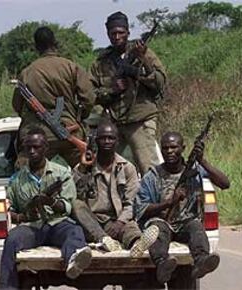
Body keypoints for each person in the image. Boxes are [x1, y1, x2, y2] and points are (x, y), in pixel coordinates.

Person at [0, 128, 92, 290]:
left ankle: (73, 261)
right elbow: (9, 211)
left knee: (74, 232)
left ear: (46, 149)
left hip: (57, 223)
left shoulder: (61, 174)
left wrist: (50, 202)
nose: (32, 151)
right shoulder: (16, 180)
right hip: (32, 227)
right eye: (29, 148)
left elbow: (68, 206)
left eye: (37, 147)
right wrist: (23, 217)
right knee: (12, 240)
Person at [135, 132, 230, 285]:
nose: (170, 152)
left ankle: (201, 261)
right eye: (165, 148)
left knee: (196, 226)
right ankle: (162, 264)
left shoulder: (195, 171)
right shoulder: (152, 176)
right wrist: (168, 203)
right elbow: (141, 209)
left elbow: (225, 183)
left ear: (183, 148)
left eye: (174, 147)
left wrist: (202, 161)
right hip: (162, 223)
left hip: (186, 223)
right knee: (156, 230)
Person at [90, 11, 166, 175]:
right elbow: (90, 94)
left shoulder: (143, 52)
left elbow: (160, 82)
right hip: (114, 123)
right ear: (108, 34)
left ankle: (156, 200)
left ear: (128, 33)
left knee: (148, 168)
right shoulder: (101, 62)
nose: (117, 37)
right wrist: (112, 91)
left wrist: (140, 65)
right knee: (106, 169)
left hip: (140, 119)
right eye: (113, 33)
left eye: (121, 33)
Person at [12, 26, 96, 168]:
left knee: (27, 175)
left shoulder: (26, 73)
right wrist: (79, 117)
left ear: (36, 46)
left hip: (37, 135)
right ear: (55, 43)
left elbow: (17, 106)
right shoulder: (71, 67)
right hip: (70, 130)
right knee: (85, 169)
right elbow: (88, 98)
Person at [72, 120, 159, 256]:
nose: (107, 141)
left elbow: (132, 203)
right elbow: (74, 194)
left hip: (117, 219)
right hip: (92, 222)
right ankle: (104, 239)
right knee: (76, 205)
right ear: (96, 141)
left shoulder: (127, 168)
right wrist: (83, 168)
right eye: (103, 138)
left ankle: (137, 244)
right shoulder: (84, 166)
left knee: (130, 228)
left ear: (117, 142)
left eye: (111, 138)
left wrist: (119, 222)